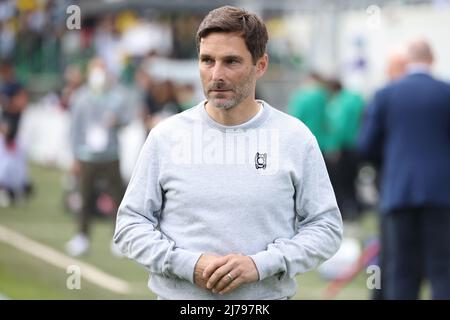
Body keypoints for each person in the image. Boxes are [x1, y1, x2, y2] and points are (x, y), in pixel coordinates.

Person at [114, 5, 342, 300]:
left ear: (260, 65)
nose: (216, 74)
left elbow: (326, 227)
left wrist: (261, 266)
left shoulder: (295, 139)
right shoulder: (165, 137)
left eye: (231, 61)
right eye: (207, 60)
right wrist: (188, 265)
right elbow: (130, 225)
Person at [359, 39, 450, 299]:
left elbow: (366, 145)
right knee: (443, 268)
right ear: (432, 60)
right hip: (443, 194)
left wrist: (392, 163)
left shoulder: (386, 94)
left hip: (399, 191)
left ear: (408, 62)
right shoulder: (446, 92)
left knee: (401, 270)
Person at [66, 57, 129, 257]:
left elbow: (127, 119)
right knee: (85, 197)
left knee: (117, 197)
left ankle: (118, 238)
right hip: (87, 156)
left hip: (110, 154)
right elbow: (75, 128)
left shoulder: (116, 97)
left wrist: (116, 120)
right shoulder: (81, 98)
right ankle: (82, 236)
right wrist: (75, 155)